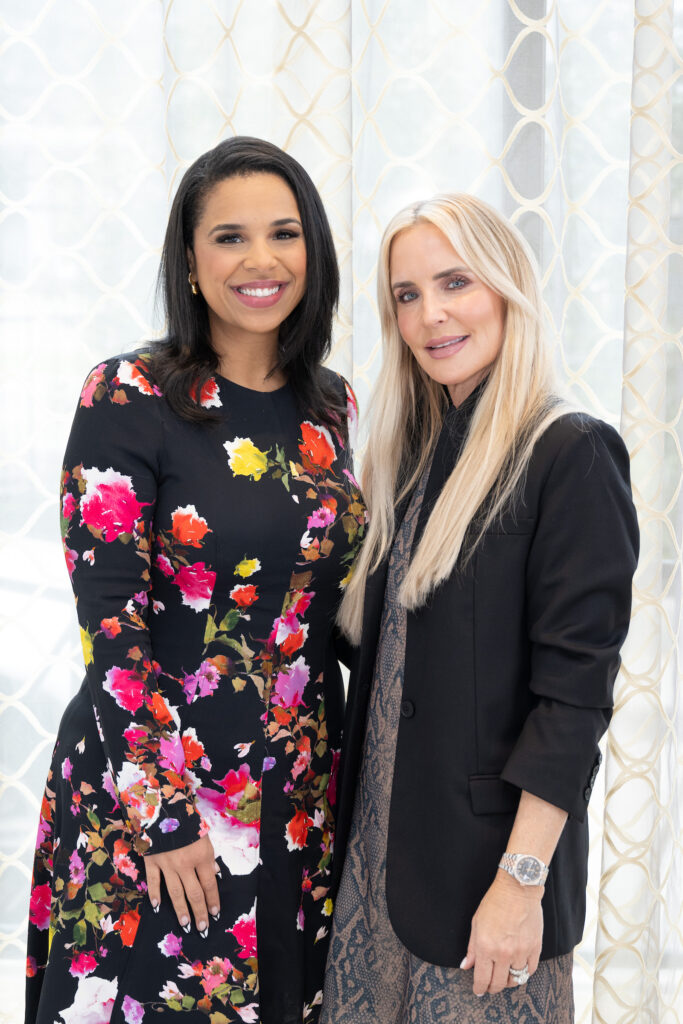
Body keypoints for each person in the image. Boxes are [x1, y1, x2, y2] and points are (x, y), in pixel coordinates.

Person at [25, 136, 366, 1024]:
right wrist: (166, 815)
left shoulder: (333, 407)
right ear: (188, 257)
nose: (261, 260)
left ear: (313, 251)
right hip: (163, 793)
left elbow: (327, 608)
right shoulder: (127, 395)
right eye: (230, 237)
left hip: (297, 795)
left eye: (284, 234)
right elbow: (112, 628)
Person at [321, 193, 639, 1023]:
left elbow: (571, 703)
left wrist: (519, 885)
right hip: (379, 864)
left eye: (454, 282)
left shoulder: (569, 452)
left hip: (486, 887)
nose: (431, 315)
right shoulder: (414, 455)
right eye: (406, 294)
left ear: (506, 286)